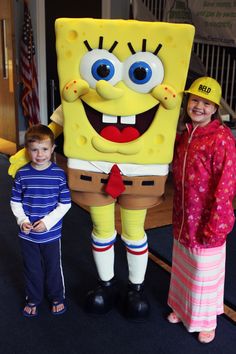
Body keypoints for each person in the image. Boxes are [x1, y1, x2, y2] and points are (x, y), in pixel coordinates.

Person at [167, 76, 236, 343]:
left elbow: (226, 185)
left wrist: (217, 224)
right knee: (185, 264)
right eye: (195, 100)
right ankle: (182, 309)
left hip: (208, 220)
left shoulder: (221, 138)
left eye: (207, 103)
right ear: (187, 101)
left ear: (215, 108)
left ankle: (207, 320)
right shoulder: (186, 134)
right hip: (184, 217)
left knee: (204, 271)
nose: (199, 107)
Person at [10, 125, 71, 317]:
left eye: (44, 149)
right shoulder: (22, 174)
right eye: (34, 149)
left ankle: (56, 297)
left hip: (51, 234)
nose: (40, 154)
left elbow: (65, 204)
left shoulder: (58, 174)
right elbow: (15, 201)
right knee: (32, 269)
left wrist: (47, 222)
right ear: (27, 150)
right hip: (27, 235)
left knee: (53, 267)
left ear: (52, 149)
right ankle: (33, 298)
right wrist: (22, 220)